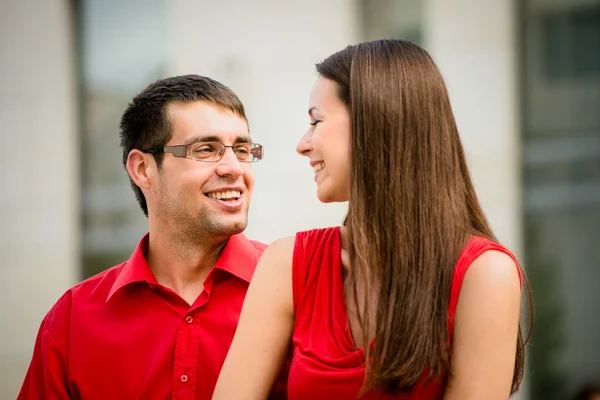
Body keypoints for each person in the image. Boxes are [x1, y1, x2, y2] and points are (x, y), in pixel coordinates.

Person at [212, 40, 532, 399]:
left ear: (375, 120)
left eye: (316, 120)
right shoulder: (286, 264)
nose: (303, 144)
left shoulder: (484, 273)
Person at [18, 74, 287, 400]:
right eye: (205, 149)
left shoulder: (298, 291)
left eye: (242, 149)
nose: (234, 167)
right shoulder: (71, 321)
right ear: (143, 169)